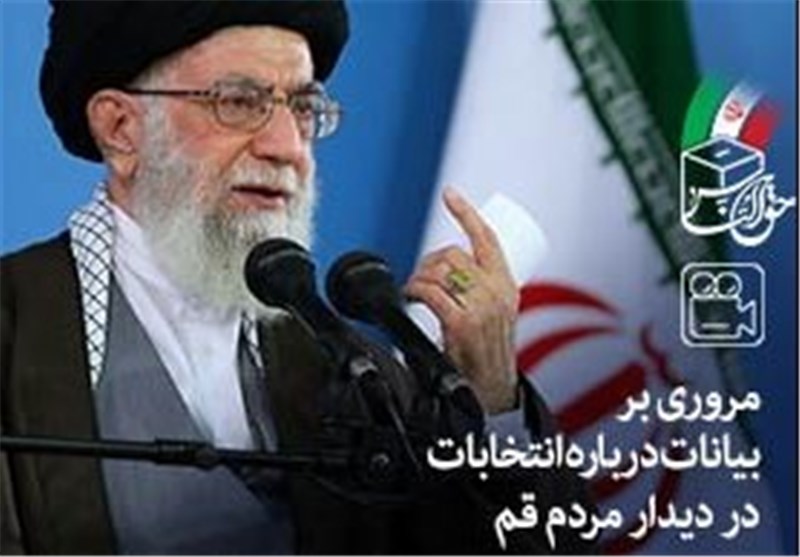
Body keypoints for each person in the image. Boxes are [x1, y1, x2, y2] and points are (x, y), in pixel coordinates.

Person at [1, 1, 594, 554]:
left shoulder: (356, 372)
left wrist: (491, 400)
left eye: (304, 109)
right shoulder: (15, 331)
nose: (287, 147)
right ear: (121, 129)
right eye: (239, 102)